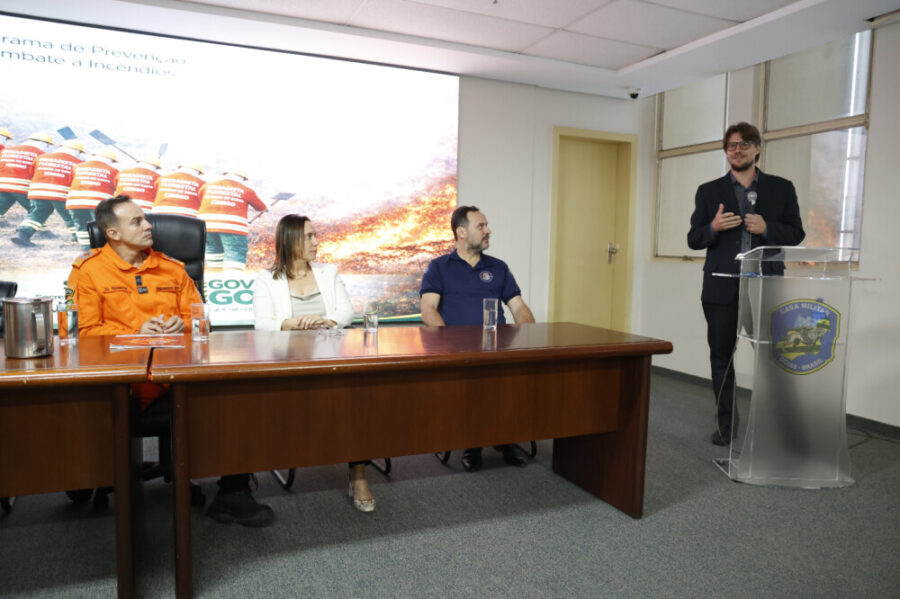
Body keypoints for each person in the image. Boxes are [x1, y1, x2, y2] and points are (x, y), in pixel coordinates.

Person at [69, 195, 274, 527]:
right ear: (113, 233)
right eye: (136, 221)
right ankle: (83, 472)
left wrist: (186, 324)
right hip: (123, 384)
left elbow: (201, 322)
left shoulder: (173, 268)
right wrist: (135, 331)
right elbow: (86, 333)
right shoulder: (88, 272)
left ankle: (233, 493)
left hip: (174, 378)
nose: (148, 226)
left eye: (145, 219)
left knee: (237, 395)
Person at [687, 122, 805, 446]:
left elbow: (796, 233)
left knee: (773, 359)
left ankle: (782, 428)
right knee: (721, 360)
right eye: (731, 146)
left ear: (757, 149)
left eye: (743, 144)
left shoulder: (781, 188)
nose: (736, 150)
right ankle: (726, 425)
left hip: (765, 286)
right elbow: (693, 239)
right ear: (726, 152)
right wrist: (713, 227)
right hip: (721, 288)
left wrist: (768, 228)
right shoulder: (708, 191)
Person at [251, 214, 377, 512]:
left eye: (315, 235)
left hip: (331, 357)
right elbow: (261, 323)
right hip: (290, 362)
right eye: (308, 236)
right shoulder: (266, 278)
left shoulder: (328, 271)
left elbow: (346, 312)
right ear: (290, 240)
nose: (316, 242)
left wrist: (325, 320)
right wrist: (292, 323)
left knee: (359, 396)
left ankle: (358, 475)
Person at [419, 205, 536, 471]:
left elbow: (518, 306)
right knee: (476, 381)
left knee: (517, 377)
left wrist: (529, 336)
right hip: (457, 352)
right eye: (481, 226)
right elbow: (428, 309)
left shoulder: (498, 267)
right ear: (461, 232)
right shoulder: (439, 267)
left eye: (486, 225)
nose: (488, 230)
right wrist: (449, 344)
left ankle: (506, 438)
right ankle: (473, 442)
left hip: (497, 349)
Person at [11, 139, 85, 246]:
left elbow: (32, 172)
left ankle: (22, 234)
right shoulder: (78, 163)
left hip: (37, 192)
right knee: (71, 217)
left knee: (37, 214)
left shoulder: (41, 157)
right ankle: (79, 238)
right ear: (76, 151)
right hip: (60, 194)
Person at [198, 170, 267, 271]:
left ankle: (215, 276)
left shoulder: (206, 186)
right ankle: (232, 278)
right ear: (242, 178)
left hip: (206, 227)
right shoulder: (247, 190)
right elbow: (261, 207)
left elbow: (201, 198)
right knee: (234, 254)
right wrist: (267, 207)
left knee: (213, 254)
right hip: (232, 229)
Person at [65, 149, 120, 251]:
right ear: (110, 160)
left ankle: (86, 250)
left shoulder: (77, 167)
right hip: (97, 204)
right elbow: (117, 188)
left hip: (75, 202)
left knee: (81, 226)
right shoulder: (113, 171)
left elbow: (69, 182)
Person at [0, 132, 54, 226]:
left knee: (2, 204)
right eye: (47, 146)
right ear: (44, 143)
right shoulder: (41, 155)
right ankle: (39, 230)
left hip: (2, 184)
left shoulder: (6, 151)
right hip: (22, 187)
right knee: (38, 209)